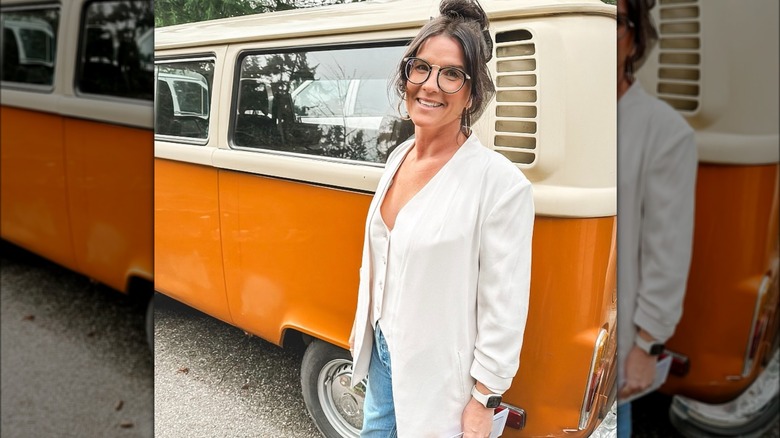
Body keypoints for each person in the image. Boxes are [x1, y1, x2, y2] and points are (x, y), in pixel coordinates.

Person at [348, 0, 534, 436]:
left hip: (440, 382)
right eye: (421, 68)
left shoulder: (500, 185)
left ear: (472, 93)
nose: (430, 86)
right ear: (406, 74)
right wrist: (365, 330)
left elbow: (504, 309)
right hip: (382, 355)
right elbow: (380, 261)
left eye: (452, 74)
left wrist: (484, 400)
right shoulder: (398, 157)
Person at [615, 0, 697, 435]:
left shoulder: (665, 133)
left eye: (618, 23)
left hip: (621, 344)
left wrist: (647, 346)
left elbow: (667, 253)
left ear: (635, 40)